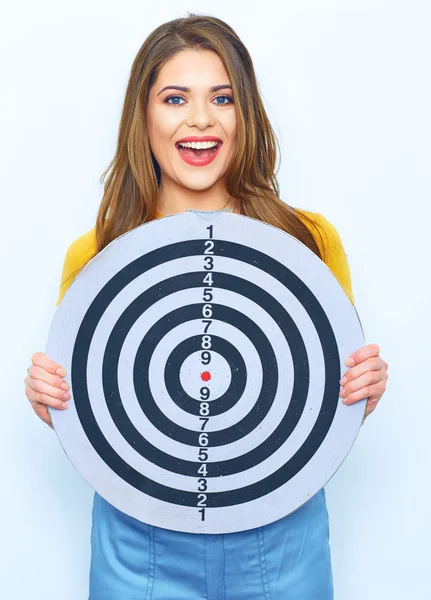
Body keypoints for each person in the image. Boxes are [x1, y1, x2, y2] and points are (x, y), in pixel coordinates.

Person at [23, 13, 389, 600]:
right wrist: (53, 399)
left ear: (246, 113)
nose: (200, 119)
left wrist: (362, 388)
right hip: (138, 539)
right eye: (175, 98)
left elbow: (321, 404)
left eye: (222, 97)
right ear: (143, 117)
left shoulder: (308, 242)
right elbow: (92, 405)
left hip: (281, 534)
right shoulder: (96, 255)